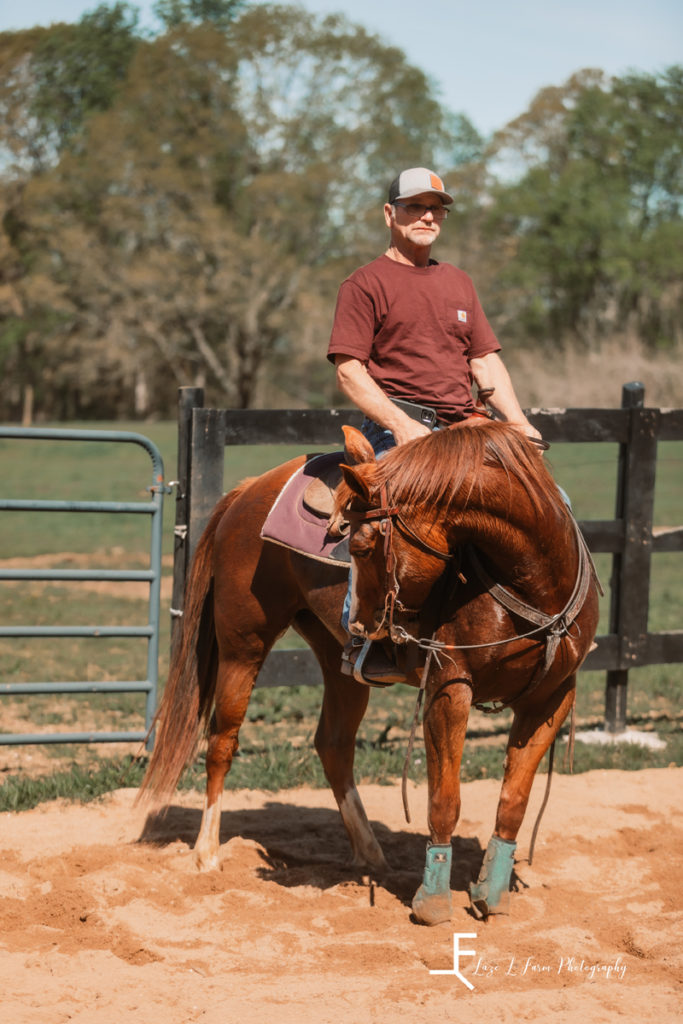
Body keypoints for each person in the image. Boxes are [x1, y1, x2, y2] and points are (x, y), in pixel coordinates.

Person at [327, 166, 542, 685]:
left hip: (466, 430)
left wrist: (519, 423)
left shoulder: (458, 282)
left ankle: (550, 628)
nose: (427, 216)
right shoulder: (365, 284)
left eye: (437, 208)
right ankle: (368, 639)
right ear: (389, 214)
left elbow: (485, 363)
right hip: (402, 429)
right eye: (415, 206)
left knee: (546, 506)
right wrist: (401, 427)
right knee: (381, 525)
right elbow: (349, 371)